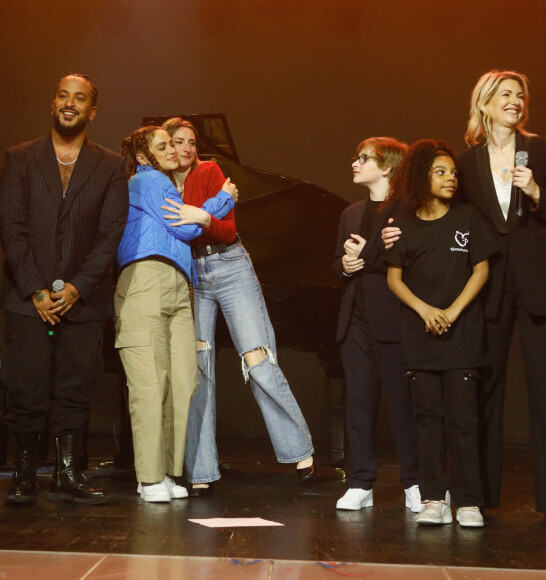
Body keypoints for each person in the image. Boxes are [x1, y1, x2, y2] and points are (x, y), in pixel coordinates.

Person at [160, 117, 314, 495]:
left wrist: (205, 214)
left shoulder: (210, 171)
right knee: (197, 369)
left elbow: (226, 230)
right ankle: (201, 470)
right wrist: (210, 209)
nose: (185, 149)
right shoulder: (158, 184)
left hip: (230, 266)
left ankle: (299, 448)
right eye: (177, 142)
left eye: (191, 143)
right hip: (191, 275)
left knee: (257, 359)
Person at [0, 73, 129, 504]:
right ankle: (23, 475)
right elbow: (12, 228)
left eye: (80, 98)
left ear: (92, 111)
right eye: (62, 95)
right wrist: (37, 289)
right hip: (25, 299)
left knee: (75, 388)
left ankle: (68, 474)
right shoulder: (19, 158)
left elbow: (110, 234)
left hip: (84, 300)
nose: (69, 103)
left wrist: (76, 288)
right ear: (52, 103)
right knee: (26, 387)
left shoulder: (111, 165)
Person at [456, 70, 546, 526]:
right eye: (505, 94)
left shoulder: (543, 152)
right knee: (483, 390)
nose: (515, 101)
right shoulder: (467, 163)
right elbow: (453, 221)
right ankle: (479, 496)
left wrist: (535, 191)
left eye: (520, 95)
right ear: (485, 104)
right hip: (490, 288)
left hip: (543, 286)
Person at [115, 126, 236, 503]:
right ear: (142, 156)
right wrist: (221, 200)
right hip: (146, 280)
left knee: (182, 382)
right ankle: (148, 478)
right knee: (151, 384)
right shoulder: (148, 180)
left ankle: (167, 471)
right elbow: (183, 227)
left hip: (179, 285)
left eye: (174, 144)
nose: (173, 150)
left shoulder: (164, 185)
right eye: (162, 146)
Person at [385, 139, 497, 527]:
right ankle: (434, 497)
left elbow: (480, 270)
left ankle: (468, 501)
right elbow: (394, 278)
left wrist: (451, 311)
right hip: (421, 339)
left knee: (463, 420)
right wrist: (424, 309)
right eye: (441, 171)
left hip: (462, 336)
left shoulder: (467, 217)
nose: (451, 178)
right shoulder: (404, 226)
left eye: (453, 172)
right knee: (427, 418)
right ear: (421, 176)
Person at [332, 137, 421, 512]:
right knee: (359, 404)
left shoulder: (408, 210)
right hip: (355, 321)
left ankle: (415, 482)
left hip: (392, 319)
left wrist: (364, 257)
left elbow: (408, 262)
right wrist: (345, 265)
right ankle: (360, 482)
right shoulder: (350, 213)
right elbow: (337, 263)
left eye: (363, 157)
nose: (355, 162)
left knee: (402, 405)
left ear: (386, 166)